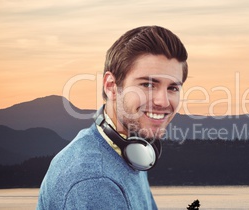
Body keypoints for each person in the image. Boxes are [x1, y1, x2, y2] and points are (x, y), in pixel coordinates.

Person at [37, 26, 188, 209]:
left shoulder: (131, 147)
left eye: (172, 88)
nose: (162, 101)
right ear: (111, 86)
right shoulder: (95, 182)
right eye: (148, 84)